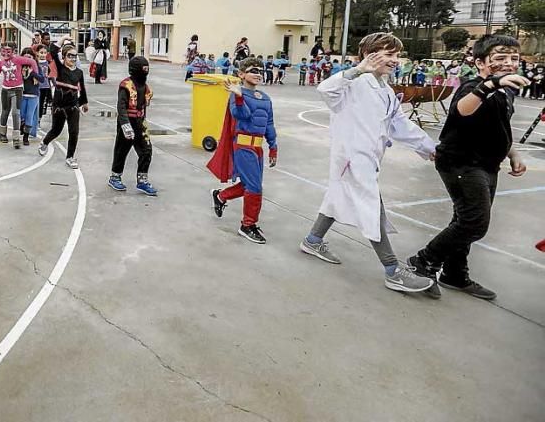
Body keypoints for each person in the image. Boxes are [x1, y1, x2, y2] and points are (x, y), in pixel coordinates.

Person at [298, 33, 436, 294]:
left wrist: (430, 149)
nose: (395, 60)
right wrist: (358, 70)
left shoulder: (385, 89)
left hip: (368, 158)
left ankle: (312, 240)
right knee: (372, 207)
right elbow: (325, 90)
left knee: (336, 199)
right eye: (388, 53)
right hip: (352, 158)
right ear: (368, 54)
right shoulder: (354, 83)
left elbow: (400, 125)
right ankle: (393, 270)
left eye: (397, 55)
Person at [409, 34, 529, 300]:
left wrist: (512, 152)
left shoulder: (507, 91)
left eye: (514, 58)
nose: (509, 64)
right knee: (475, 223)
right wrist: (489, 85)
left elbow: (500, 126)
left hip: (488, 164)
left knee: (464, 220)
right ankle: (424, 261)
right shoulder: (472, 87)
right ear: (480, 63)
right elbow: (463, 111)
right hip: (460, 162)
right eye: (499, 59)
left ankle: (454, 273)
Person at [208, 57, 277, 243]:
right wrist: (238, 96)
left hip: (257, 148)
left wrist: (273, 147)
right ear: (241, 74)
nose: (258, 74)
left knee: (249, 185)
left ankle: (221, 196)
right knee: (254, 187)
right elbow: (241, 115)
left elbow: (268, 124)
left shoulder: (265, 98)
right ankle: (247, 225)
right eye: (253, 70)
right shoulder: (236, 94)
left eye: (260, 70)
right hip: (243, 146)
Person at [108, 56, 158, 196]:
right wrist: (125, 125)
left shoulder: (146, 87)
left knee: (146, 150)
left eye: (147, 70)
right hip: (127, 121)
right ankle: (115, 177)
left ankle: (142, 180)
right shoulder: (125, 85)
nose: (145, 73)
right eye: (143, 70)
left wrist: (143, 122)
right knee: (121, 150)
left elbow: (143, 106)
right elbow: (121, 105)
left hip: (140, 122)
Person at [40, 45, 89, 168]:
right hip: (59, 107)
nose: (72, 58)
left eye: (74, 56)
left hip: (73, 106)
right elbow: (52, 50)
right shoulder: (60, 68)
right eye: (69, 55)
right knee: (56, 130)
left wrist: (84, 102)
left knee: (74, 132)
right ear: (64, 57)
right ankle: (44, 142)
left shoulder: (79, 72)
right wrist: (64, 39)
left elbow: (81, 88)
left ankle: (70, 157)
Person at [0, 42, 40, 148]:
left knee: (16, 112)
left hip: (17, 89)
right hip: (5, 90)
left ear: (13, 51)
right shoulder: (1, 63)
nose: (5, 54)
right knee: (5, 112)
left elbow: (32, 61)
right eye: (3, 51)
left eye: (8, 51)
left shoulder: (18, 60)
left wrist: (35, 75)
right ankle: (2, 133)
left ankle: (16, 138)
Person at [19, 46, 46, 146]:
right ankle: (23, 127)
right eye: (25, 57)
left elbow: (42, 79)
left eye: (29, 57)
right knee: (22, 115)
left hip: (33, 95)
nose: (27, 60)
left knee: (29, 116)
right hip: (21, 94)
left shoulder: (35, 66)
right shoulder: (19, 67)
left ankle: (26, 137)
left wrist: (33, 73)